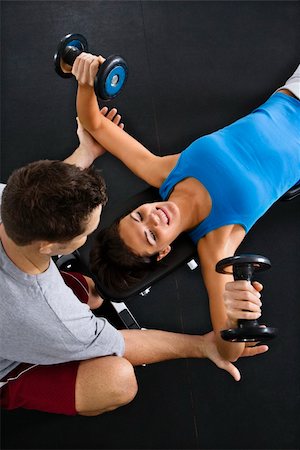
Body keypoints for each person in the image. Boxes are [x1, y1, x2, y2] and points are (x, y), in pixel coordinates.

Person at [0, 102, 268, 417]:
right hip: (12, 351)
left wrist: (85, 152)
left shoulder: (9, 200)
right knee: (118, 380)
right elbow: (123, 343)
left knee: (86, 290)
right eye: (85, 235)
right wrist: (202, 345)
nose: (89, 237)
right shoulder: (59, 318)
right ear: (49, 245)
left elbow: (40, 191)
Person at [73, 53, 300, 363]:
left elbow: (94, 123)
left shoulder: (166, 172)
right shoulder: (216, 243)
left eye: (139, 215)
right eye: (152, 236)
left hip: (292, 92)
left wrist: (85, 81)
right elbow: (227, 348)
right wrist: (233, 310)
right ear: (164, 252)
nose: (154, 218)